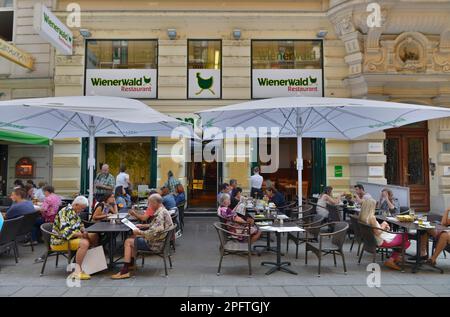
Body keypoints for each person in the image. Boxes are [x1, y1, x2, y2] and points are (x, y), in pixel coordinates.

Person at [111, 194, 174, 279]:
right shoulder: (163, 211)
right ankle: (131, 264)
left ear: (155, 203)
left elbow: (153, 232)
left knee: (128, 241)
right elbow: (157, 227)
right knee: (132, 238)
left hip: (155, 244)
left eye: (150, 203)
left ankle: (125, 271)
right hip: (161, 241)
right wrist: (144, 226)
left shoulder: (159, 214)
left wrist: (139, 232)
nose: (149, 205)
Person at [51, 196, 98, 280]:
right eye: (82, 208)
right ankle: (77, 271)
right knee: (85, 243)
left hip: (72, 237)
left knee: (94, 236)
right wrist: (81, 235)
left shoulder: (75, 211)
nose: (82, 210)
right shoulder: (65, 212)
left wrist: (84, 231)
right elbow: (65, 232)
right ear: (76, 205)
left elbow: (80, 225)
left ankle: (90, 265)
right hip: (60, 240)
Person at [359, 199, 410, 271]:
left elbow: (374, 229)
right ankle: (391, 260)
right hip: (381, 241)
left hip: (373, 240)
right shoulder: (372, 218)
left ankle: (395, 257)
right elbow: (377, 232)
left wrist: (382, 226)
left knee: (405, 240)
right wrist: (384, 224)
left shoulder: (363, 217)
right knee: (405, 237)